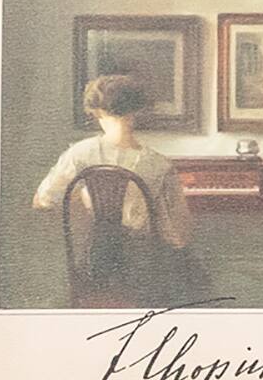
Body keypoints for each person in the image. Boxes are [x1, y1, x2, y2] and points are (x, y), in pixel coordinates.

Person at [33, 73, 194, 303]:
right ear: (136, 112)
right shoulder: (159, 165)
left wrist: (84, 203)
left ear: (97, 112)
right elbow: (178, 236)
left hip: (91, 264)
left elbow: (43, 200)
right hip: (142, 269)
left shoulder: (79, 153)